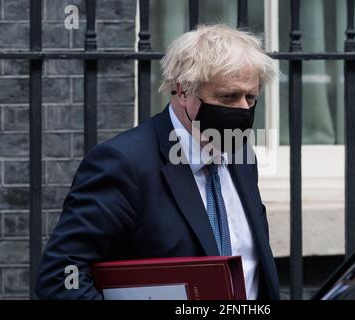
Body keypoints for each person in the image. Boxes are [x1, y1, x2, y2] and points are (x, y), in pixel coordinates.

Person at [35, 24, 281, 300]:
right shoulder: (124, 163)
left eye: (251, 97)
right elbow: (61, 277)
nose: (244, 110)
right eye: (228, 96)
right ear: (183, 91)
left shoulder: (241, 156)